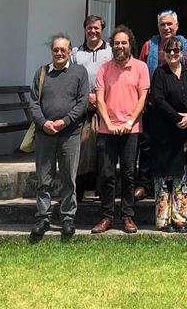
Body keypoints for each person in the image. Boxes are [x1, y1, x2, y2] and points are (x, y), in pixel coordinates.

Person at [91, 26, 149, 234]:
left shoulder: (141, 68)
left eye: (123, 42)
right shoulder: (104, 69)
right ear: (112, 46)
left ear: (130, 44)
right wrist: (109, 123)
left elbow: (142, 98)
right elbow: (99, 99)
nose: (120, 46)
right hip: (107, 130)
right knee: (106, 174)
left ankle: (127, 216)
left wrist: (129, 122)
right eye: (116, 43)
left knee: (128, 173)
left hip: (131, 129)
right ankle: (107, 217)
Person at [30, 33, 89, 238]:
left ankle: (67, 218)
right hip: (45, 134)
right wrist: (44, 122)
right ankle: (43, 217)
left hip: (70, 134)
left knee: (68, 178)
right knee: (43, 178)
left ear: (70, 51)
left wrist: (65, 121)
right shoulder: (42, 73)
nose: (59, 53)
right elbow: (34, 102)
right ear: (51, 51)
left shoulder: (79, 73)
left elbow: (82, 102)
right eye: (56, 49)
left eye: (63, 49)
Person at [136, 10, 187, 200]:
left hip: (180, 110)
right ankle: (144, 184)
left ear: (177, 26)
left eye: (170, 24)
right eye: (163, 24)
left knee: (180, 152)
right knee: (148, 146)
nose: (166, 27)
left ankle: (182, 189)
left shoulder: (186, 48)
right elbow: (140, 73)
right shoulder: (149, 46)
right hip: (154, 106)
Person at [147, 35, 187, 233]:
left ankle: (181, 219)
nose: (172, 54)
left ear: (182, 53)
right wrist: (177, 117)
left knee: (183, 177)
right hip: (165, 132)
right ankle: (164, 220)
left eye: (176, 50)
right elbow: (158, 99)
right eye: (168, 50)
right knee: (164, 177)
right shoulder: (159, 74)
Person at [72, 15, 112, 199]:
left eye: (96, 28)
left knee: (102, 152)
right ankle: (78, 193)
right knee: (81, 151)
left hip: (105, 109)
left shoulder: (111, 52)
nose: (93, 31)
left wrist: (100, 97)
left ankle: (102, 191)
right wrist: (85, 97)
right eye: (89, 28)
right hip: (82, 109)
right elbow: (71, 79)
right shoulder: (76, 53)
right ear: (85, 29)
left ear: (102, 29)